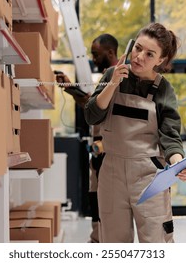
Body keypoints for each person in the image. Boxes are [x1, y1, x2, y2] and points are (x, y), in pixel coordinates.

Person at [84, 22, 186, 243]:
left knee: (155, 241)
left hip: (148, 177)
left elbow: (169, 133)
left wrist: (179, 163)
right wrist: (112, 84)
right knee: (114, 243)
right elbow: (92, 115)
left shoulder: (164, 89)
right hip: (111, 172)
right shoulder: (111, 74)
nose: (139, 56)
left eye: (150, 54)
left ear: (160, 60)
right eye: (138, 48)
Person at [55, 33, 119, 243]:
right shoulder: (105, 78)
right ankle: (96, 239)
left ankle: (104, 242)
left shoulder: (118, 79)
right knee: (95, 199)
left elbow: (96, 105)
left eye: (96, 54)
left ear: (110, 52)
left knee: (107, 204)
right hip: (100, 154)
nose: (93, 59)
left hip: (112, 155)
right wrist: (70, 88)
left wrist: (71, 89)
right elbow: (92, 105)